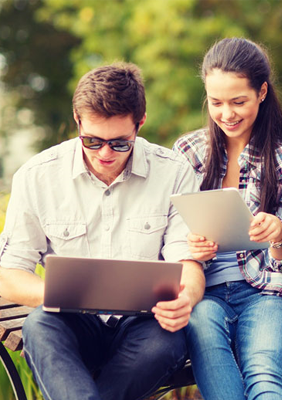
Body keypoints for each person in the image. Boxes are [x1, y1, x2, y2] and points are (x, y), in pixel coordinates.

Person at [0, 63, 204, 400]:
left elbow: (189, 263)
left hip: (143, 325)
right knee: (39, 327)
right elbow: (9, 275)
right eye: (92, 141)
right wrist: (66, 294)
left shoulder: (174, 173)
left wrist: (188, 297)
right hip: (72, 321)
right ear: (78, 121)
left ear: (140, 123)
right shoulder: (36, 176)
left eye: (120, 143)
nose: (105, 154)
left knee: (169, 338)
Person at [172, 38, 282, 400]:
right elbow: (169, 232)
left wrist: (280, 236)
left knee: (264, 373)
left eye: (238, 102)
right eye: (216, 102)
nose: (227, 114)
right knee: (201, 323)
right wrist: (189, 248)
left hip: (272, 293)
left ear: (262, 92)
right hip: (206, 294)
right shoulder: (188, 152)